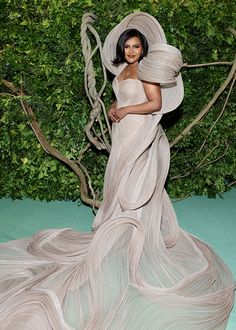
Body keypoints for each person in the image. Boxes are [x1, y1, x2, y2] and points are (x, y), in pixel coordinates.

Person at [0, 12, 234, 330]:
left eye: (137, 46)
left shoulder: (149, 71)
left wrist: (125, 109)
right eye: (128, 47)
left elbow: (154, 104)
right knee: (119, 179)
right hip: (124, 133)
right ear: (122, 49)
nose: (132, 51)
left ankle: (135, 234)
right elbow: (125, 97)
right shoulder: (123, 71)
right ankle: (119, 227)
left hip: (141, 132)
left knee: (136, 182)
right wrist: (115, 108)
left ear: (144, 48)